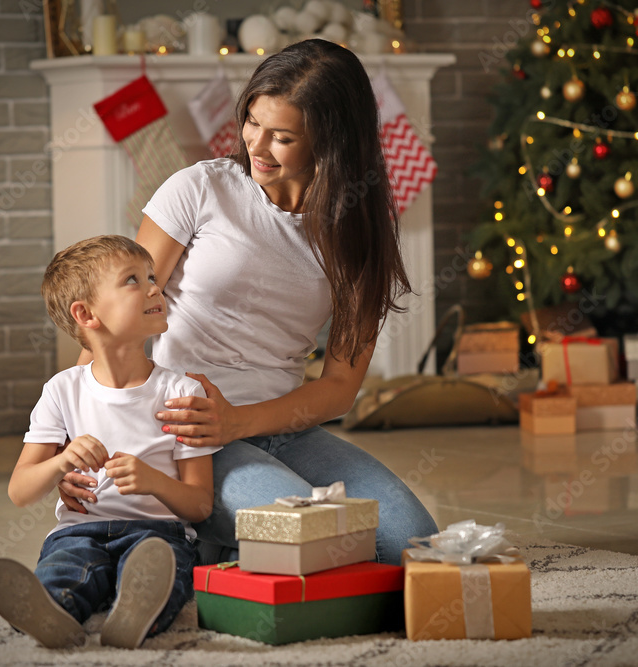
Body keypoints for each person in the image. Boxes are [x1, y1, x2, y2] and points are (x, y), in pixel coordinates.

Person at [60, 39, 438, 566]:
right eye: (252, 122)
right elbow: (115, 323)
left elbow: (338, 388)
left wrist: (240, 421)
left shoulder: (357, 235)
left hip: (281, 427)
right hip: (182, 436)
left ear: (330, 145)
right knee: (313, 535)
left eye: (282, 137)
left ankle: (208, 542)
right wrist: (79, 432)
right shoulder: (198, 190)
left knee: (416, 544)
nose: (256, 145)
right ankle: (190, 533)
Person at [0, 235, 219, 649]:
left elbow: (200, 505)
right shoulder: (61, 391)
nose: (153, 287)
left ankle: (135, 611)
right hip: (79, 530)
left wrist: (153, 481)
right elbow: (20, 492)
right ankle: (52, 611)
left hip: (158, 532)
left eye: (151, 276)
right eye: (133, 280)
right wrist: (59, 464)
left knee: (157, 572)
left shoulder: (182, 392)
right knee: (67, 568)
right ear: (86, 314)